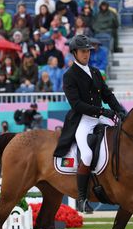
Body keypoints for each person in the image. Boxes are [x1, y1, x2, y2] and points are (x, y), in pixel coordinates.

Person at [54, 35, 126, 213]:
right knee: (86, 155)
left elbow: (107, 95)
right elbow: (76, 104)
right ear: (74, 53)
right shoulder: (69, 76)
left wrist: (120, 110)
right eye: (83, 51)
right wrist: (103, 112)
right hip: (82, 120)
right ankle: (81, 198)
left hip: (99, 117)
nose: (86, 54)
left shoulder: (94, 72)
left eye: (88, 51)